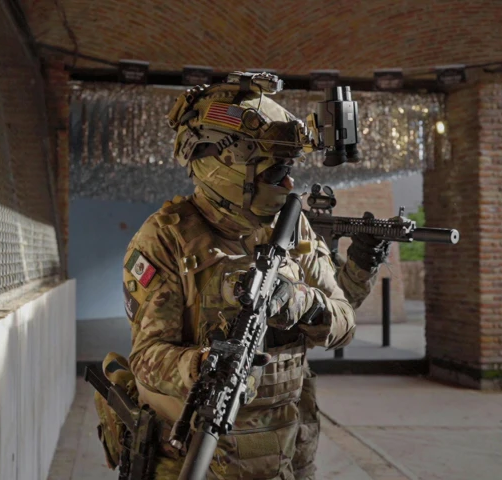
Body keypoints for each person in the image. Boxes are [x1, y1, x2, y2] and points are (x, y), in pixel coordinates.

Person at [110, 72, 389, 479]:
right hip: (198, 456)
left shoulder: (292, 226)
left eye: (289, 170)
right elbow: (146, 359)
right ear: (225, 168)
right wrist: (200, 366)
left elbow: (344, 322)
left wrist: (303, 304)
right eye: (275, 174)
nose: (290, 184)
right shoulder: (167, 238)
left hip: (287, 452)